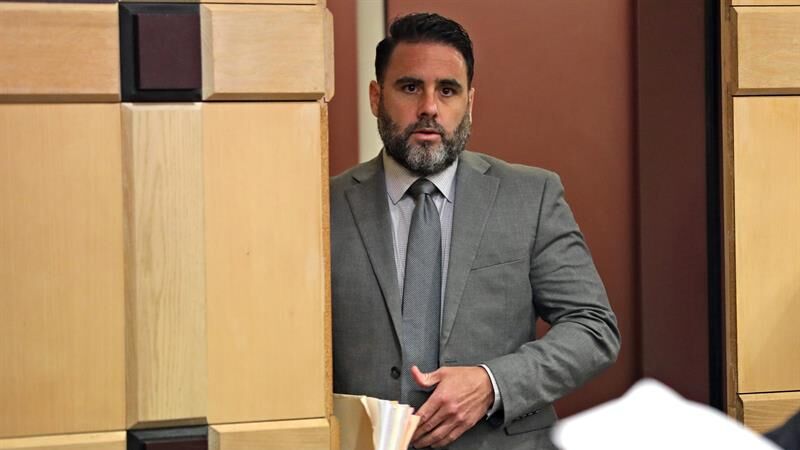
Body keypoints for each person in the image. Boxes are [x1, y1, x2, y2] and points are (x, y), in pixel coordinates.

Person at [330, 12, 620, 450]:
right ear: (376, 97)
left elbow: (593, 327)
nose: (429, 107)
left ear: (470, 102)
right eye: (410, 87)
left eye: (447, 90)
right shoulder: (324, 207)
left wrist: (492, 382)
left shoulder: (531, 197)